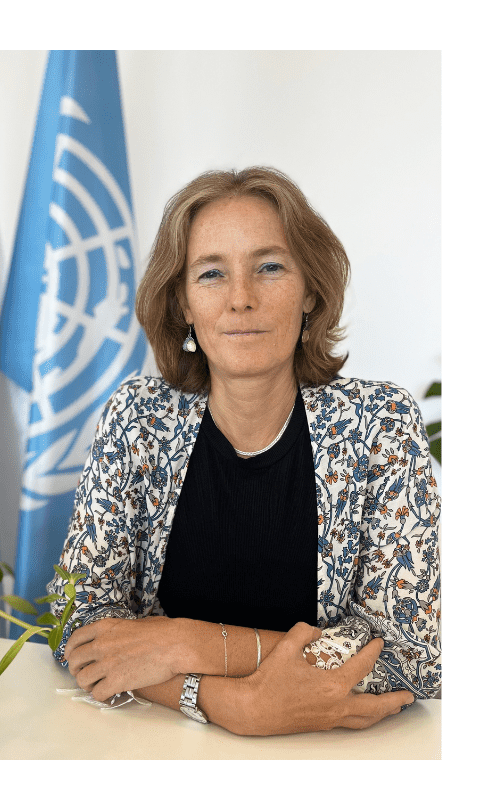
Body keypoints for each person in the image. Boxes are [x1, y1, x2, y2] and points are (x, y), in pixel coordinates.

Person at [47, 167, 439, 735]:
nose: (240, 299)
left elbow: (413, 657)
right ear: (181, 302)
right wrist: (225, 704)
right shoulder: (138, 420)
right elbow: (75, 624)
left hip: (341, 765)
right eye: (211, 273)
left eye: (270, 267)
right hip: (154, 753)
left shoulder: (380, 425)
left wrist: (185, 641)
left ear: (311, 290)